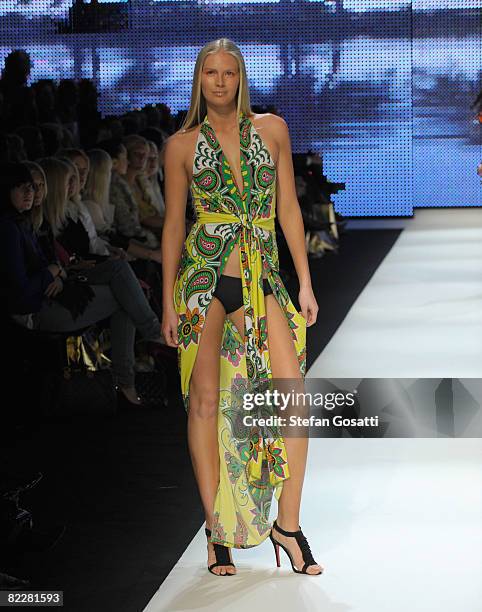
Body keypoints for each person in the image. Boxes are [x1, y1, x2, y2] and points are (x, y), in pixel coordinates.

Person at [161, 38, 322, 576]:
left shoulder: (271, 129)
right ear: (199, 79)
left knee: (291, 395)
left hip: (262, 276)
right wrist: (166, 302)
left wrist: (304, 281)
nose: (221, 81)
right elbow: (173, 226)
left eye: (230, 72)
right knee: (204, 404)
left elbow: (290, 211)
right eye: (211, 72)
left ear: (241, 78)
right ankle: (216, 531)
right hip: (204, 279)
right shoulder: (181, 144)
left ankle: (289, 525)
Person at [0, 161, 162, 406]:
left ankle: (130, 374)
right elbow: (21, 293)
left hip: (55, 292)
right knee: (124, 297)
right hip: (34, 311)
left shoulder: (24, 223)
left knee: (120, 273)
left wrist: (58, 273)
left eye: (33, 187)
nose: (31, 193)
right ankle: (133, 370)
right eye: (23, 188)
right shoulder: (10, 228)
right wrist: (53, 272)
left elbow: (53, 266)